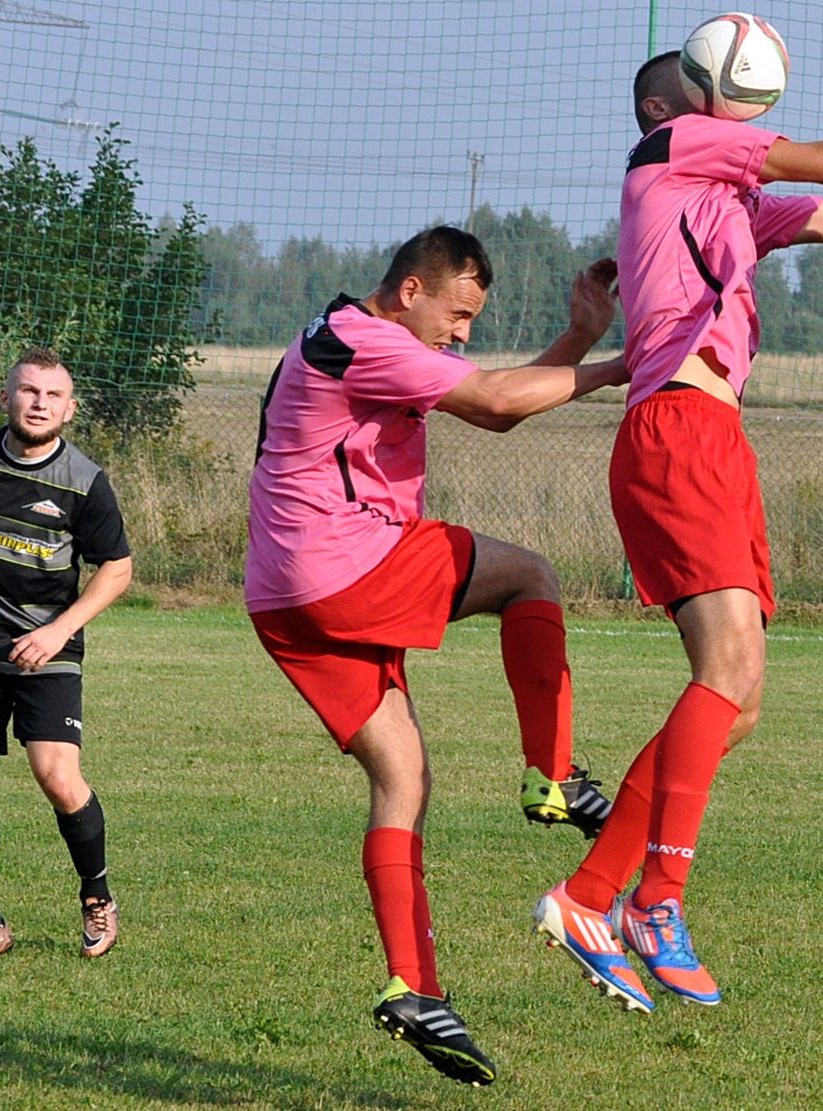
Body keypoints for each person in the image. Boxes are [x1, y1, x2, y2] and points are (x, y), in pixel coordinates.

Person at [532, 49, 823, 1013]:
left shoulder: (729, 202)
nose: (740, 117)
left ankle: (596, 896)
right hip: (678, 428)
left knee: (739, 703)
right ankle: (643, 900)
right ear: (666, 109)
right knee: (723, 679)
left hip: (714, 435)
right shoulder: (669, 146)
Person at [245, 225, 625, 1087]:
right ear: (411, 289)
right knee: (532, 577)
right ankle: (554, 773)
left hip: (282, 596)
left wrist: (578, 340)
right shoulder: (368, 338)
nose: (462, 333)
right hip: (343, 566)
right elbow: (493, 402)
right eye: (456, 314)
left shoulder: (348, 332)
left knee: (403, 778)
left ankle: (414, 987)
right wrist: (618, 368)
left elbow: (493, 399)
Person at [0, 347, 132, 962]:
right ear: (7, 397)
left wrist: (56, 632)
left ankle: (96, 896)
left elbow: (116, 570)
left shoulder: (86, 481)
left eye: (52, 395)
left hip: (48, 653)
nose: (38, 403)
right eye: (28, 391)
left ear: (69, 408)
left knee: (58, 777)